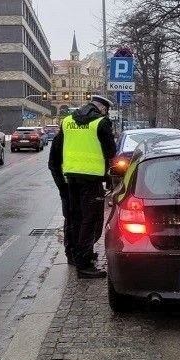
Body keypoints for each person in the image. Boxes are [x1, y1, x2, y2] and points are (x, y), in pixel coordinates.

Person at [49, 95, 116, 278]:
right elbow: (111, 151)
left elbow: (58, 150)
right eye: (106, 110)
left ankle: (76, 256)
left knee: (76, 218)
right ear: (103, 108)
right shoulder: (101, 122)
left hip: (71, 178)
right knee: (91, 220)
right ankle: (84, 265)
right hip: (91, 178)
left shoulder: (67, 121)